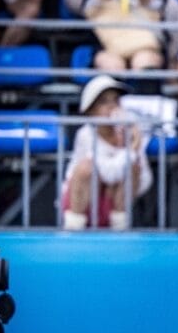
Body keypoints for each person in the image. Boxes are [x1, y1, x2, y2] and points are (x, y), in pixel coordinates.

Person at [61, 75, 154, 230]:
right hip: (81, 204)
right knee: (86, 168)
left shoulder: (130, 131)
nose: (112, 107)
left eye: (115, 100)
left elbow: (145, 180)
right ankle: (73, 231)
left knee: (132, 168)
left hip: (112, 205)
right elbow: (107, 174)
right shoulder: (85, 134)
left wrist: (132, 149)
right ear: (90, 110)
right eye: (104, 102)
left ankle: (119, 228)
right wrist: (131, 150)